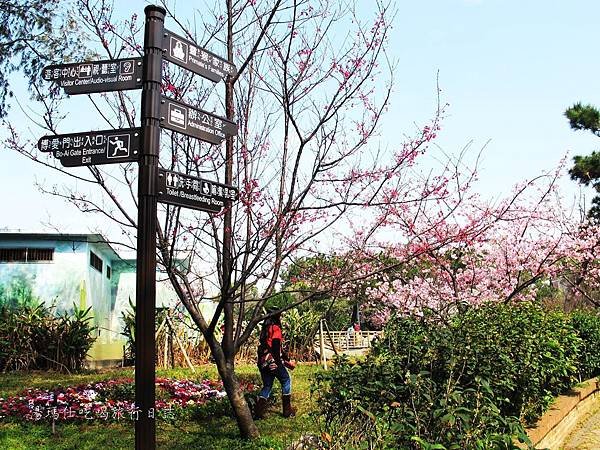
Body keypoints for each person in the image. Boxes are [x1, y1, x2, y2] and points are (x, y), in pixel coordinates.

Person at [254, 309, 296, 419]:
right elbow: (276, 347)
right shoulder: (276, 329)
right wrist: (278, 363)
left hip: (263, 362)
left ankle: (258, 413)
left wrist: (286, 359)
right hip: (273, 361)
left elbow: (270, 347)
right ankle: (287, 411)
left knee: (267, 386)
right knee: (286, 380)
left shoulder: (265, 329)